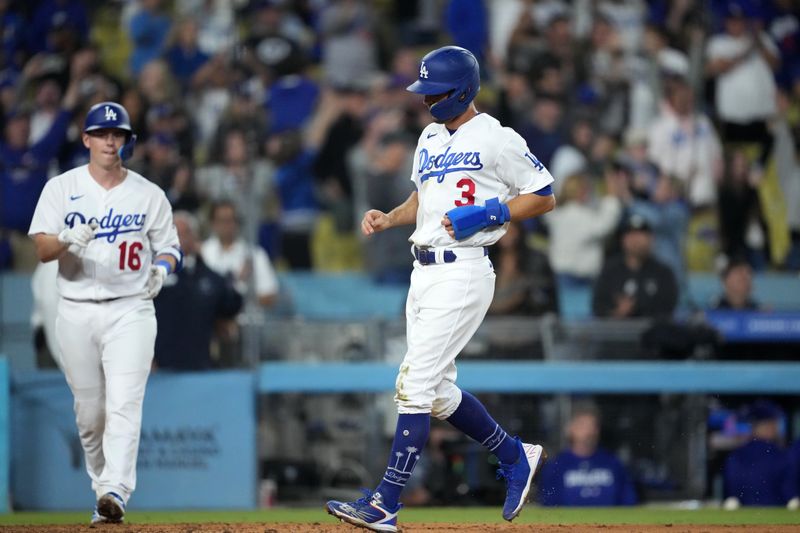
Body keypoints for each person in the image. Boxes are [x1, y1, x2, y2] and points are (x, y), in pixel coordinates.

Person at [325, 45, 556, 531]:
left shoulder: (497, 137)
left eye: (436, 91)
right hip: (423, 270)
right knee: (435, 393)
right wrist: (390, 217)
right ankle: (514, 455)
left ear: (464, 90)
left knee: (413, 383)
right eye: (424, 91)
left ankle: (386, 501)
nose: (427, 100)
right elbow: (422, 196)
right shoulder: (429, 136)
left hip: (464, 270)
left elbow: (543, 195)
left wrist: (493, 212)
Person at [27, 101, 182, 524]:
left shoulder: (148, 193)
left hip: (131, 308)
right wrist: (64, 237)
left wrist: (160, 270)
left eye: (118, 135)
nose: (110, 141)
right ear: (87, 139)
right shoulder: (61, 187)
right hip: (75, 308)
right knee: (90, 412)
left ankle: (116, 488)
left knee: (125, 404)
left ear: (127, 141)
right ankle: (101, 486)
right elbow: (41, 250)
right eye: (102, 134)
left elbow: (171, 248)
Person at [154, 211, 242, 370]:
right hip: (161, 366)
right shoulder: (153, 273)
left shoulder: (208, 276)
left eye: (184, 232)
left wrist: (237, 283)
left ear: (195, 237)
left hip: (200, 365)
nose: (179, 238)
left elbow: (230, 306)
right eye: (174, 233)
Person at [537, 404, 637, 506]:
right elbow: (548, 504)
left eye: (593, 426)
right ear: (570, 429)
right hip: (567, 520)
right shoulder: (556, 466)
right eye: (582, 425)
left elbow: (628, 500)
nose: (589, 431)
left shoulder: (613, 463)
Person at [591, 213, 679, 319]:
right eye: (631, 235)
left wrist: (637, 309)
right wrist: (617, 313)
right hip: (615, 332)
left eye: (640, 235)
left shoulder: (663, 273)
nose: (635, 240)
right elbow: (598, 308)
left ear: (651, 239)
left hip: (654, 332)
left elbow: (667, 309)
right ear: (623, 240)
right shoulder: (609, 271)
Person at [723, 400, 799, 508]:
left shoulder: (737, 455)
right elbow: (789, 492)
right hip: (777, 518)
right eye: (775, 424)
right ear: (769, 426)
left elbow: (731, 493)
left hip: (742, 517)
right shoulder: (781, 455)